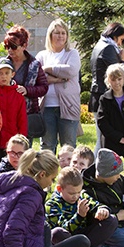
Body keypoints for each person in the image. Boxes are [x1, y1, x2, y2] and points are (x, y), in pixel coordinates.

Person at [45, 167, 118, 247]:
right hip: (67, 239)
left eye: (78, 192)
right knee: (57, 233)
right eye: (71, 193)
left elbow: (95, 204)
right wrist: (79, 216)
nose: (75, 196)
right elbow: (62, 228)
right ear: (60, 189)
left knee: (111, 220)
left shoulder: (82, 196)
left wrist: (102, 210)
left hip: (85, 237)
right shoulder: (52, 205)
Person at [36, 18, 81, 152]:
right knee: (47, 146)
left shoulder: (72, 53)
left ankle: (70, 173)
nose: (60, 36)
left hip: (68, 106)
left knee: (68, 146)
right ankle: (48, 173)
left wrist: (48, 69)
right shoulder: (42, 55)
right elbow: (37, 77)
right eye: (57, 33)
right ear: (50, 35)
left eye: (63, 33)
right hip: (47, 107)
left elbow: (71, 70)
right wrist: (57, 79)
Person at [89, 23, 124, 146]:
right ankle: (97, 165)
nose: (120, 44)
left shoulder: (99, 45)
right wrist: (123, 60)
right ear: (114, 35)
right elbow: (118, 72)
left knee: (102, 139)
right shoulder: (108, 48)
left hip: (97, 95)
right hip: (104, 97)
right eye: (120, 39)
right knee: (104, 141)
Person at [1, 25, 48, 125]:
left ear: (24, 46)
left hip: (27, 114)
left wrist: (27, 90)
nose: (10, 50)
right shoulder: (2, 64)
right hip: (5, 114)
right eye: (7, 46)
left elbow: (44, 87)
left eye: (13, 47)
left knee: (24, 141)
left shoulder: (34, 65)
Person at [0, 58, 28, 168]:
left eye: (7, 73)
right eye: (0, 73)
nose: (3, 76)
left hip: (11, 141)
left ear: (12, 74)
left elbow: (22, 119)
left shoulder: (18, 95)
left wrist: (21, 139)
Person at [97, 63, 124, 160]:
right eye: (113, 80)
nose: (117, 82)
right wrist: (119, 138)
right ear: (108, 81)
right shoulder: (104, 99)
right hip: (112, 141)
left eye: (119, 79)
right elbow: (102, 122)